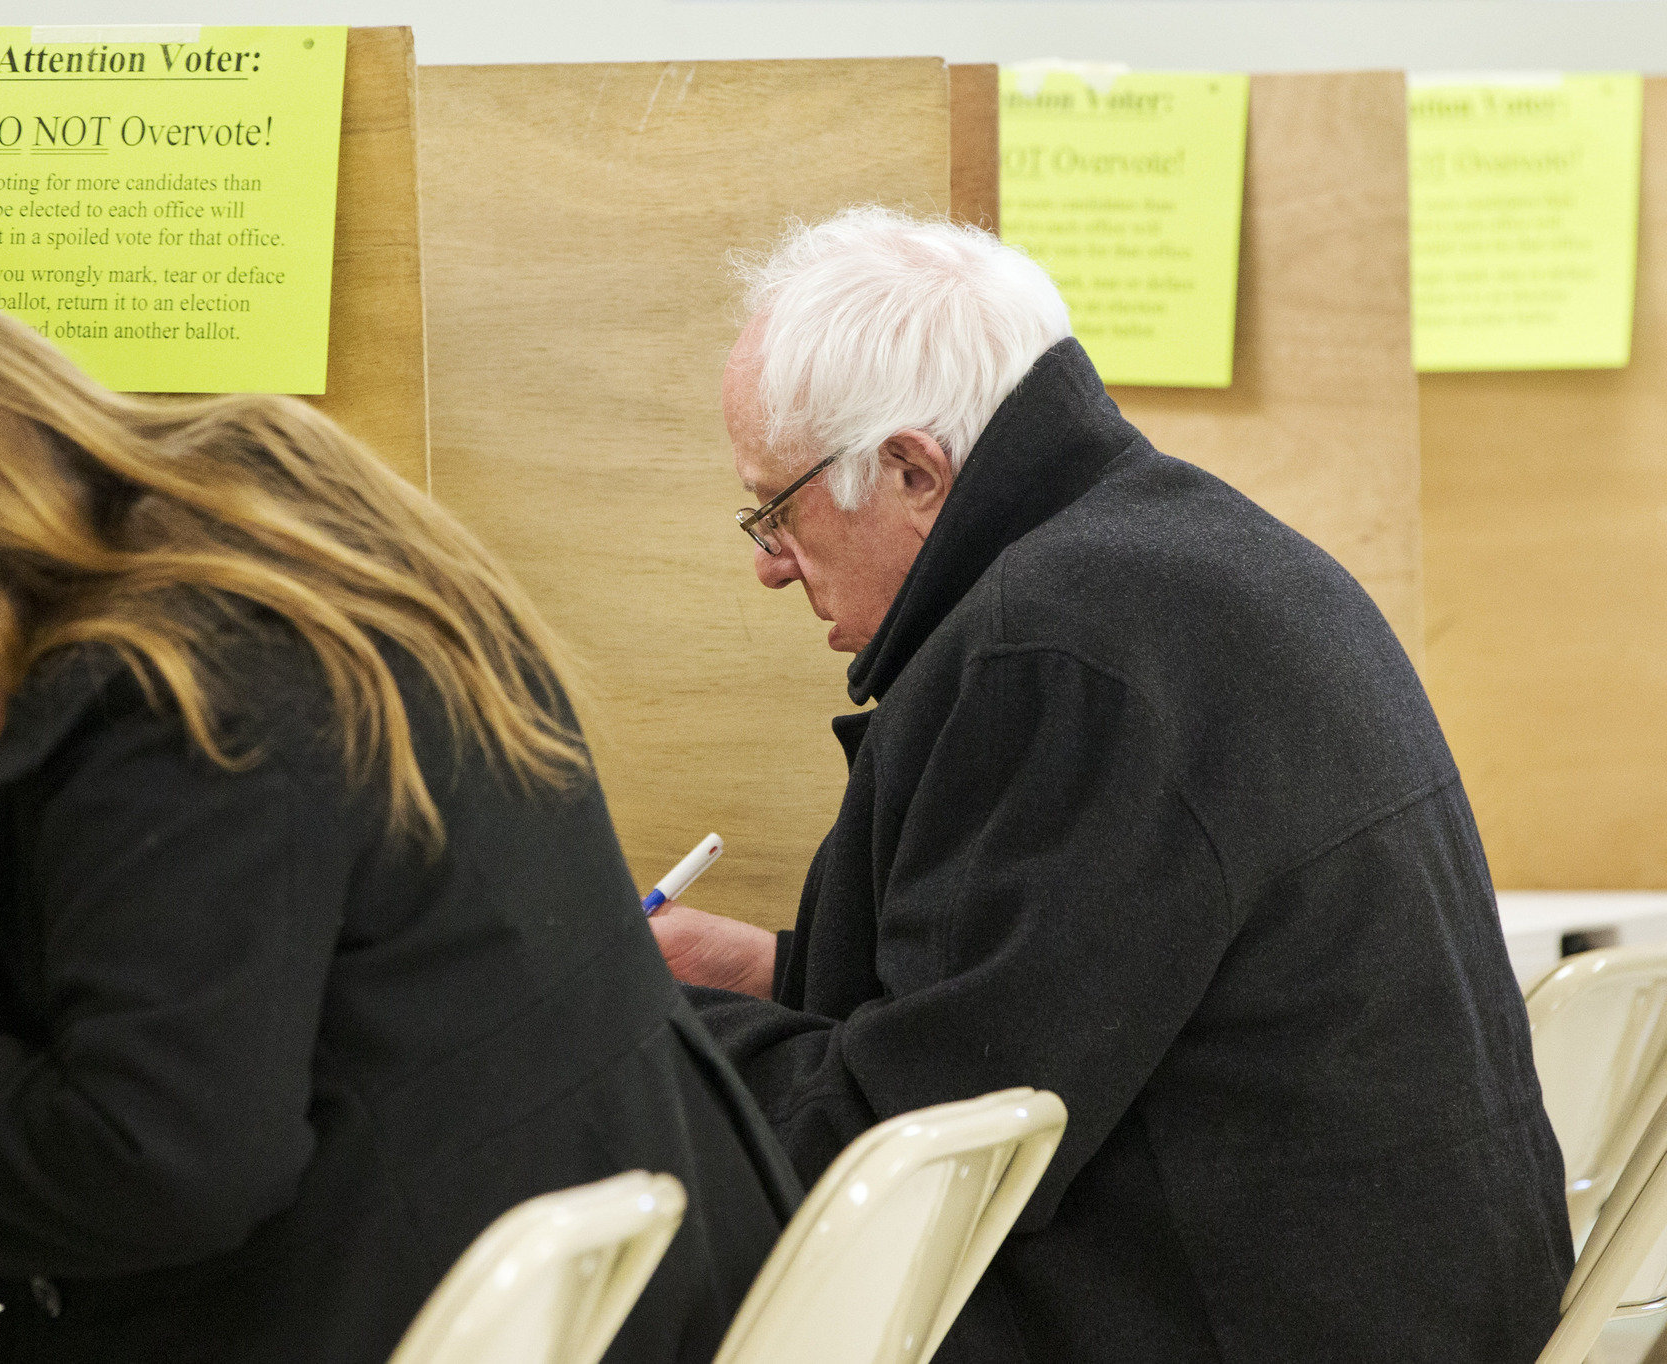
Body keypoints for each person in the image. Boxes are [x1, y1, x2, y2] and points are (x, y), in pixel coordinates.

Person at [650, 208, 1571, 1361]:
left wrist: (642, 1021)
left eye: (774, 508)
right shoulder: (1178, 557)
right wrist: (759, 971)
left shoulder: (1054, 650)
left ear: (911, 469)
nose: (765, 563)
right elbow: (1044, 998)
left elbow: (912, 1159)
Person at [0, 280, 797, 1364]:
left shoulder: (173, 696)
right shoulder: (302, 578)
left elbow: (159, 1153)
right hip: (613, 1293)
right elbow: (195, 954)